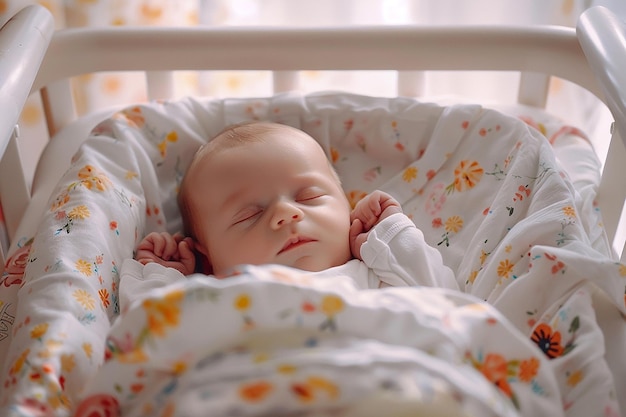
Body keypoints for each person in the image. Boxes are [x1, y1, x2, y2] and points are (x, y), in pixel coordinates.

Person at [127, 121, 457, 299]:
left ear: (347, 209)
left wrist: (389, 234)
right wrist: (163, 278)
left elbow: (444, 301)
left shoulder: (378, 274)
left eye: (309, 196)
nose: (286, 213)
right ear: (208, 256)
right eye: (249, 215)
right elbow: (148, 337)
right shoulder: (210, 294)